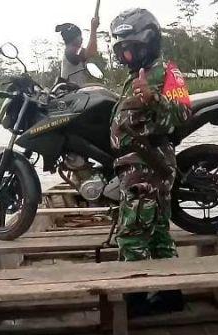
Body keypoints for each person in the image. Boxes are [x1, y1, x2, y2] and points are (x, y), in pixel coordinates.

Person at [109, 8, 192, 314]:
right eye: (122, 50)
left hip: (147, 167)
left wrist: (152, 98)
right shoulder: (136, 76)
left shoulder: (167, 72)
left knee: (132, 235)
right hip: (140, 166)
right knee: (157, 233)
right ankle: (171, 296)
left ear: (148, 43)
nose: (127, 56)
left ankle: (135, 301)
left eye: (131, 48)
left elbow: (183, 113)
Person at [55, 17, 100, 86]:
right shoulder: (71, 50)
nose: (82, 39)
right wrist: (93, 29)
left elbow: (91, 50)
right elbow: (91, 52)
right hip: (72, 91)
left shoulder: (72, 50)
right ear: (73, 38)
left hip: (75, 90)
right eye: (79, 36)